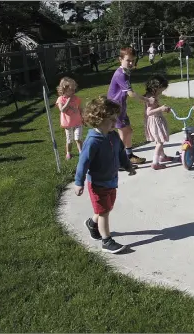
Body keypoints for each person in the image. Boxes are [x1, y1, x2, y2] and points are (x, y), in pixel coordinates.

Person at [74, 96, 136, 254]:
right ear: (99, 119)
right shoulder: (93, 141)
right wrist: (79, 182)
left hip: (111, 180)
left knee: (106, 208)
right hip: (97, 183)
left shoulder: (113, 136)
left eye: (115, 119)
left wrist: (127, 165)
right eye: (111, 120)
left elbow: (121, 152)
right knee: (104, 212)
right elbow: (83, 162)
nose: (115, 123)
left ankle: (91, 224)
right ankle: (106, 241)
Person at [107, 46, 155, 165]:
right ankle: (118, 161)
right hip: (115, 108)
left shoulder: (126, 72)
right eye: (128, 60)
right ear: (120, 59)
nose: (131, 63)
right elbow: (131, 93)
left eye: (133, 61)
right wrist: (147, 100)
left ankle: (128, 155)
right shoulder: (120, 74)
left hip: (121, 107)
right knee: (123, 133)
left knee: (128, 131)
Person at [143, 74, 174, 170]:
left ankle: (163, 156)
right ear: (156, 87)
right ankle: (155, 162)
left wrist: (163, 109)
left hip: (152, 121)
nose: (162, 92)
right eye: (161, 90)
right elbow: (149, 112)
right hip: (155, 122)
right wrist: (161, 108)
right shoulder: (152, 98)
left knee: (158, 140)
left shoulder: (149, 96)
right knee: (160, 142)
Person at [56, 77, 83, 160]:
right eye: (71, 90)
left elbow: (80, 109)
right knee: (69, 140)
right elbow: (62, 110)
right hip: (68, 124)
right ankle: (68, 153)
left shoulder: (76, 98)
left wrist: (83, 118)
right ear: (64, 90)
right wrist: (68, 101)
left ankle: (81, 153)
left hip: (78, 122)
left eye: (74, 89)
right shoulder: (61, 99)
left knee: (78, 138)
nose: (73, 91)